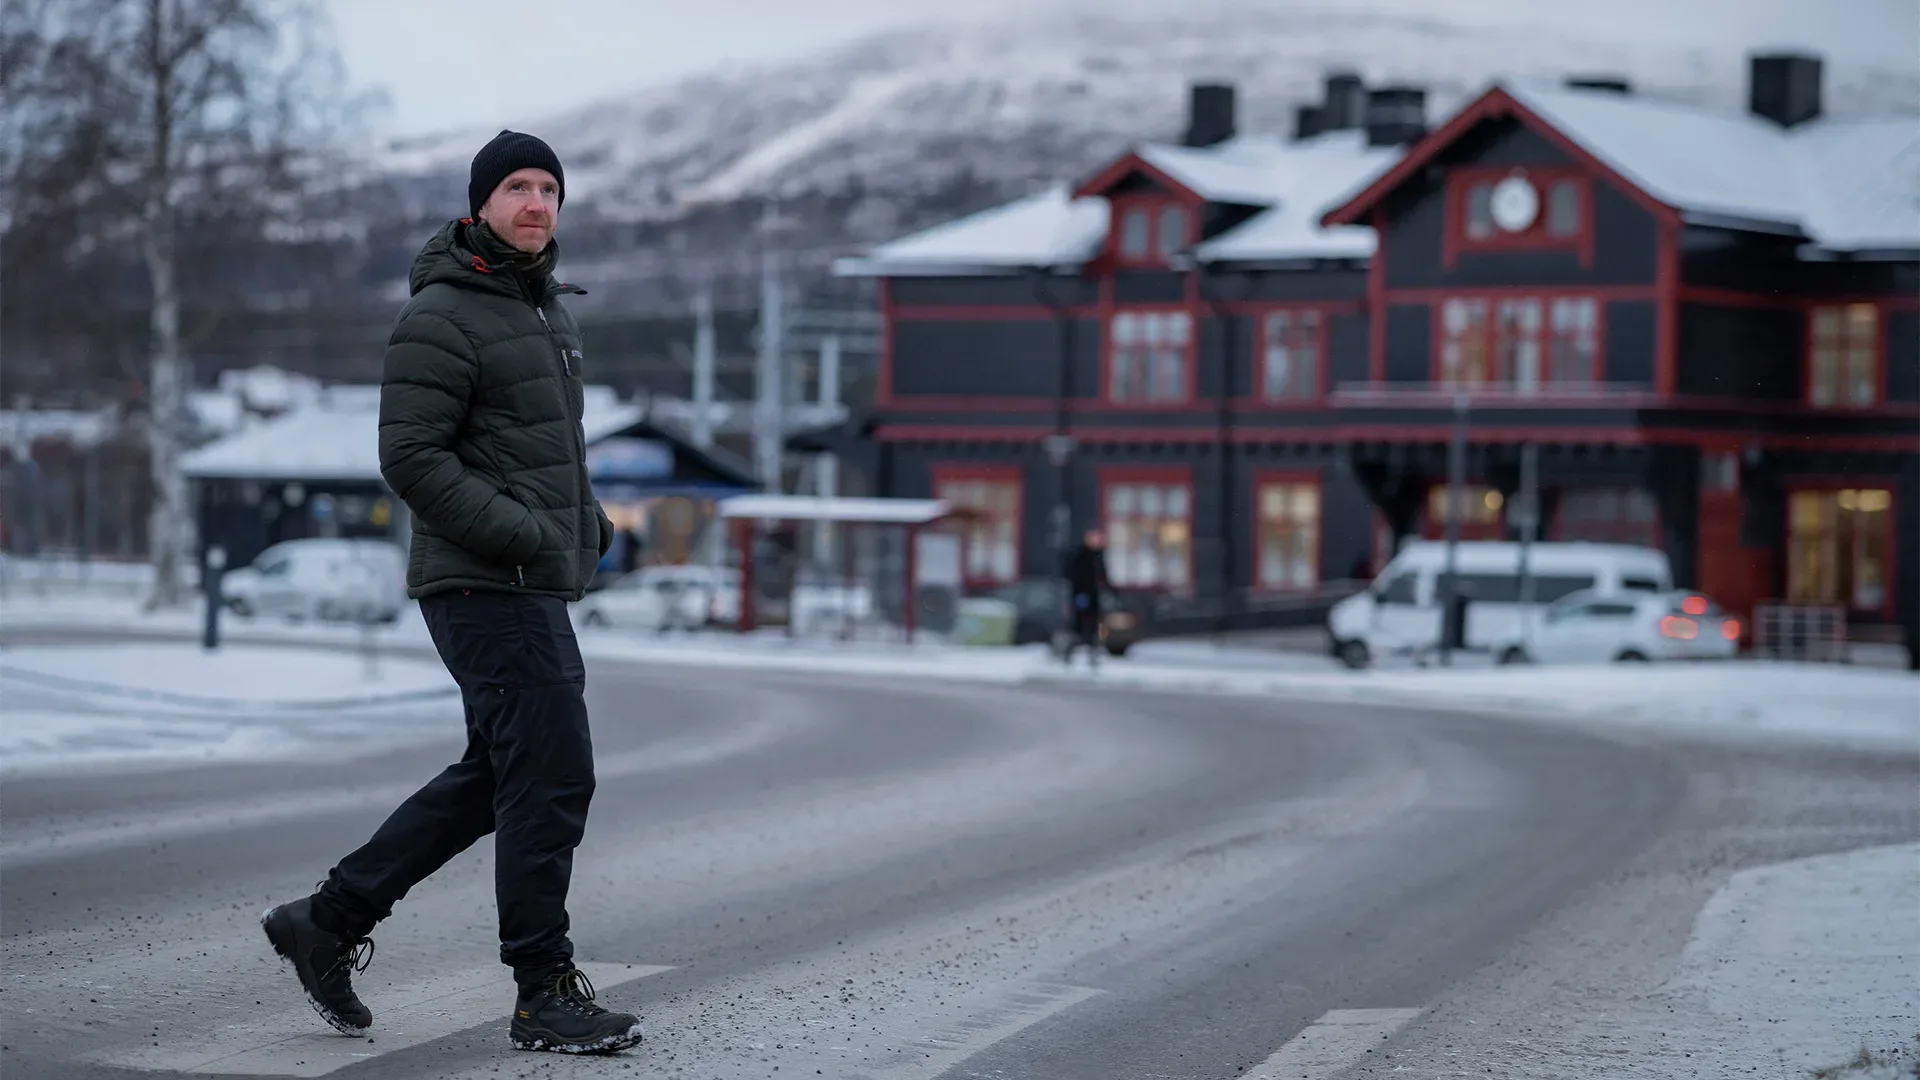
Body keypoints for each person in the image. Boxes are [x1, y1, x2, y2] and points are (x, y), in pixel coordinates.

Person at [261, 130, 643, 1055]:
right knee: (552, 774)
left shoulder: (548, 313)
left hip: (525, 580)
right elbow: (409, 455)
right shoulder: (445, 313)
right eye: (517, 186)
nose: (537, 202)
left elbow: (558, 454)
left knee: (501, 776)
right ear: (480, 204)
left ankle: (329, 919)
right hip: (482, 578)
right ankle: (542, 991)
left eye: (550, 188)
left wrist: (583, 528)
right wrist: (525, 533)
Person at [1062, 528, 1111, 669]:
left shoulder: (1098, 557)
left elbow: (1103, 576)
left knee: (1093, 628)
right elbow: (1073, 576)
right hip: (1081, 596)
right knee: (1077, 627)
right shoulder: (1080, 556)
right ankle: (1068, 653)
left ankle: (1092, 656)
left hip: (1094, 597)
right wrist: (1078, 592)